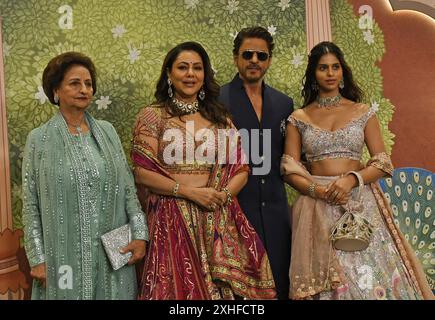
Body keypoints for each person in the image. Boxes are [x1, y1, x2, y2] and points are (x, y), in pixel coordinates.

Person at [282, 41, 433, 300]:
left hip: (360, 204)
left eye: (335, 67)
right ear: (313, 75)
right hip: (316, 208)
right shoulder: (299, 118)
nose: (330, 73)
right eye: (322, 68)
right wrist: (319, 191)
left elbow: (383, 164)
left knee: (370, 277)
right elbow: (289, 169)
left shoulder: (362, 112)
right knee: (329, 282)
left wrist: (351, 180)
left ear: (343, 72)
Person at [131, 41, 276, 300]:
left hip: (215, 216)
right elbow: (142, 173)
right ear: (169, 73)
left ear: (205, 75)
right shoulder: (152, 116)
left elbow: (241, 167)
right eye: (183, 68)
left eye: (197, 68)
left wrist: (223, 196)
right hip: (170, 216)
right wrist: (189, 193)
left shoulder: (220, 118)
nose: (190, 74)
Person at [22, 52, 148, 299]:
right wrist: (37, 257)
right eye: (74, 83)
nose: (84, 90)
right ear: (56, 91)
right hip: (63, 258)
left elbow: (127, 189)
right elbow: (30, 203)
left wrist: (140, 235)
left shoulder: (107, 132)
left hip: (113, 252)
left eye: (88, 84)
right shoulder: (39, 139)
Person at [219, 26, 293, 299]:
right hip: (235, 211)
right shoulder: (218, 100)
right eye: (247, 54)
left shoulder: (284, 103)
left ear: (269, 60)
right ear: (235, 57)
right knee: (240, 290)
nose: (254, 60)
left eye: (261, 56)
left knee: (280, 286)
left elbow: (291, 157)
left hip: (276, 212)